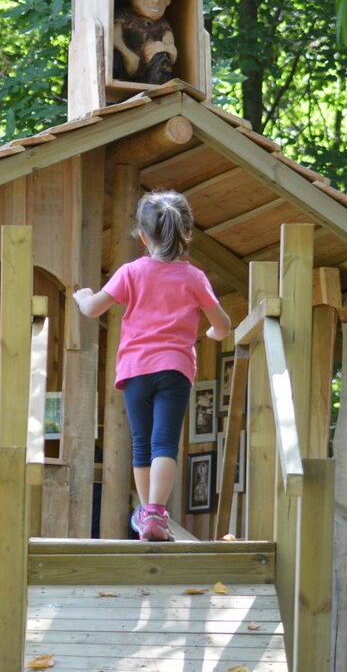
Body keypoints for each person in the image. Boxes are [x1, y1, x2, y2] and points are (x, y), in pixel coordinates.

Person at [73, 190, 231, 541]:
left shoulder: (131, 272)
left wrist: (82, 296)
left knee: (142, 444)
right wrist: (211, 333)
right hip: (174, 370)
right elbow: (223, 326)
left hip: (135, 370)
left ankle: (149, 516)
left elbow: (93, 309)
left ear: (143, 237)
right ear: (186, 233)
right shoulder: (195, 278)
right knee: (165, 443)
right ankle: (155, 514)